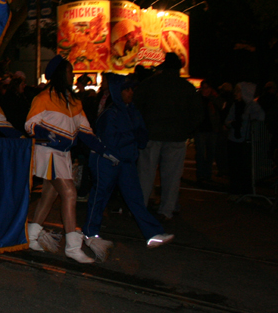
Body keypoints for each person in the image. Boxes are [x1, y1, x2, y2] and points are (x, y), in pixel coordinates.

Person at [25, 55, 118, 263]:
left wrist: (104, 150)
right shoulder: (43, 98)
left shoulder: (74, 101)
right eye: (69, 71)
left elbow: (85, 132)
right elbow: (30, 124)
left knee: (49, 195)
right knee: (69, 193)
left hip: (64, 155)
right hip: (47, 154)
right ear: (59, 74)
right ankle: (73, 246)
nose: (72, 75)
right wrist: (47, 133)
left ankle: (31, 236)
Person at [82, 74, 174, 260]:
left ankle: (153, 233)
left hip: (125, 161)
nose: (131, 92)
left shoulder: (132, 111)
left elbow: (141, 135)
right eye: (127, 89)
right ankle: (90, 232)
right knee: (100, 196)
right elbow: (112, 140)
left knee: (135, 198)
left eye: (132, 89)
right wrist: (133, 138)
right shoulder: (111, 114)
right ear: (118, 91)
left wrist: (135, 139)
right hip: (107, 161)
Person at [134, 53, 203, 221]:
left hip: (152, 134)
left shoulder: (150, 84)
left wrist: (142, 128)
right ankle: (167, 209)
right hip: (177, 136)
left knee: (145, 173)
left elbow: (136, 106)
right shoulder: (186, 87)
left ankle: (140, 208)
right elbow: (197, 113)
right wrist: (187, 130)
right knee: (172, 176)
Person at [225, 82, 264, 195]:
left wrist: (247, 117)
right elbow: (227, 120)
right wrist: (232, 123)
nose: (235, 93)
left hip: (246, 141)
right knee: (234, 168)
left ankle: (246, 193)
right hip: (234, 139)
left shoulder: (252, 105)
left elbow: (261, 117)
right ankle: (234, 192)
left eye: (238, 91)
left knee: (245, 169)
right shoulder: (235, 105)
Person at [194, 81, 223, 186]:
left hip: (211, 129)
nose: (205, 90)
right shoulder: (197, 98)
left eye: (207, 88)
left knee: (210, 153)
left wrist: (213, 98)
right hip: (201, 129)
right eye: (203, 88)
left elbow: (222, 106)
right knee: (201, 153)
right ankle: (201, 175)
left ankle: (207, 174)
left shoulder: (214, 98)